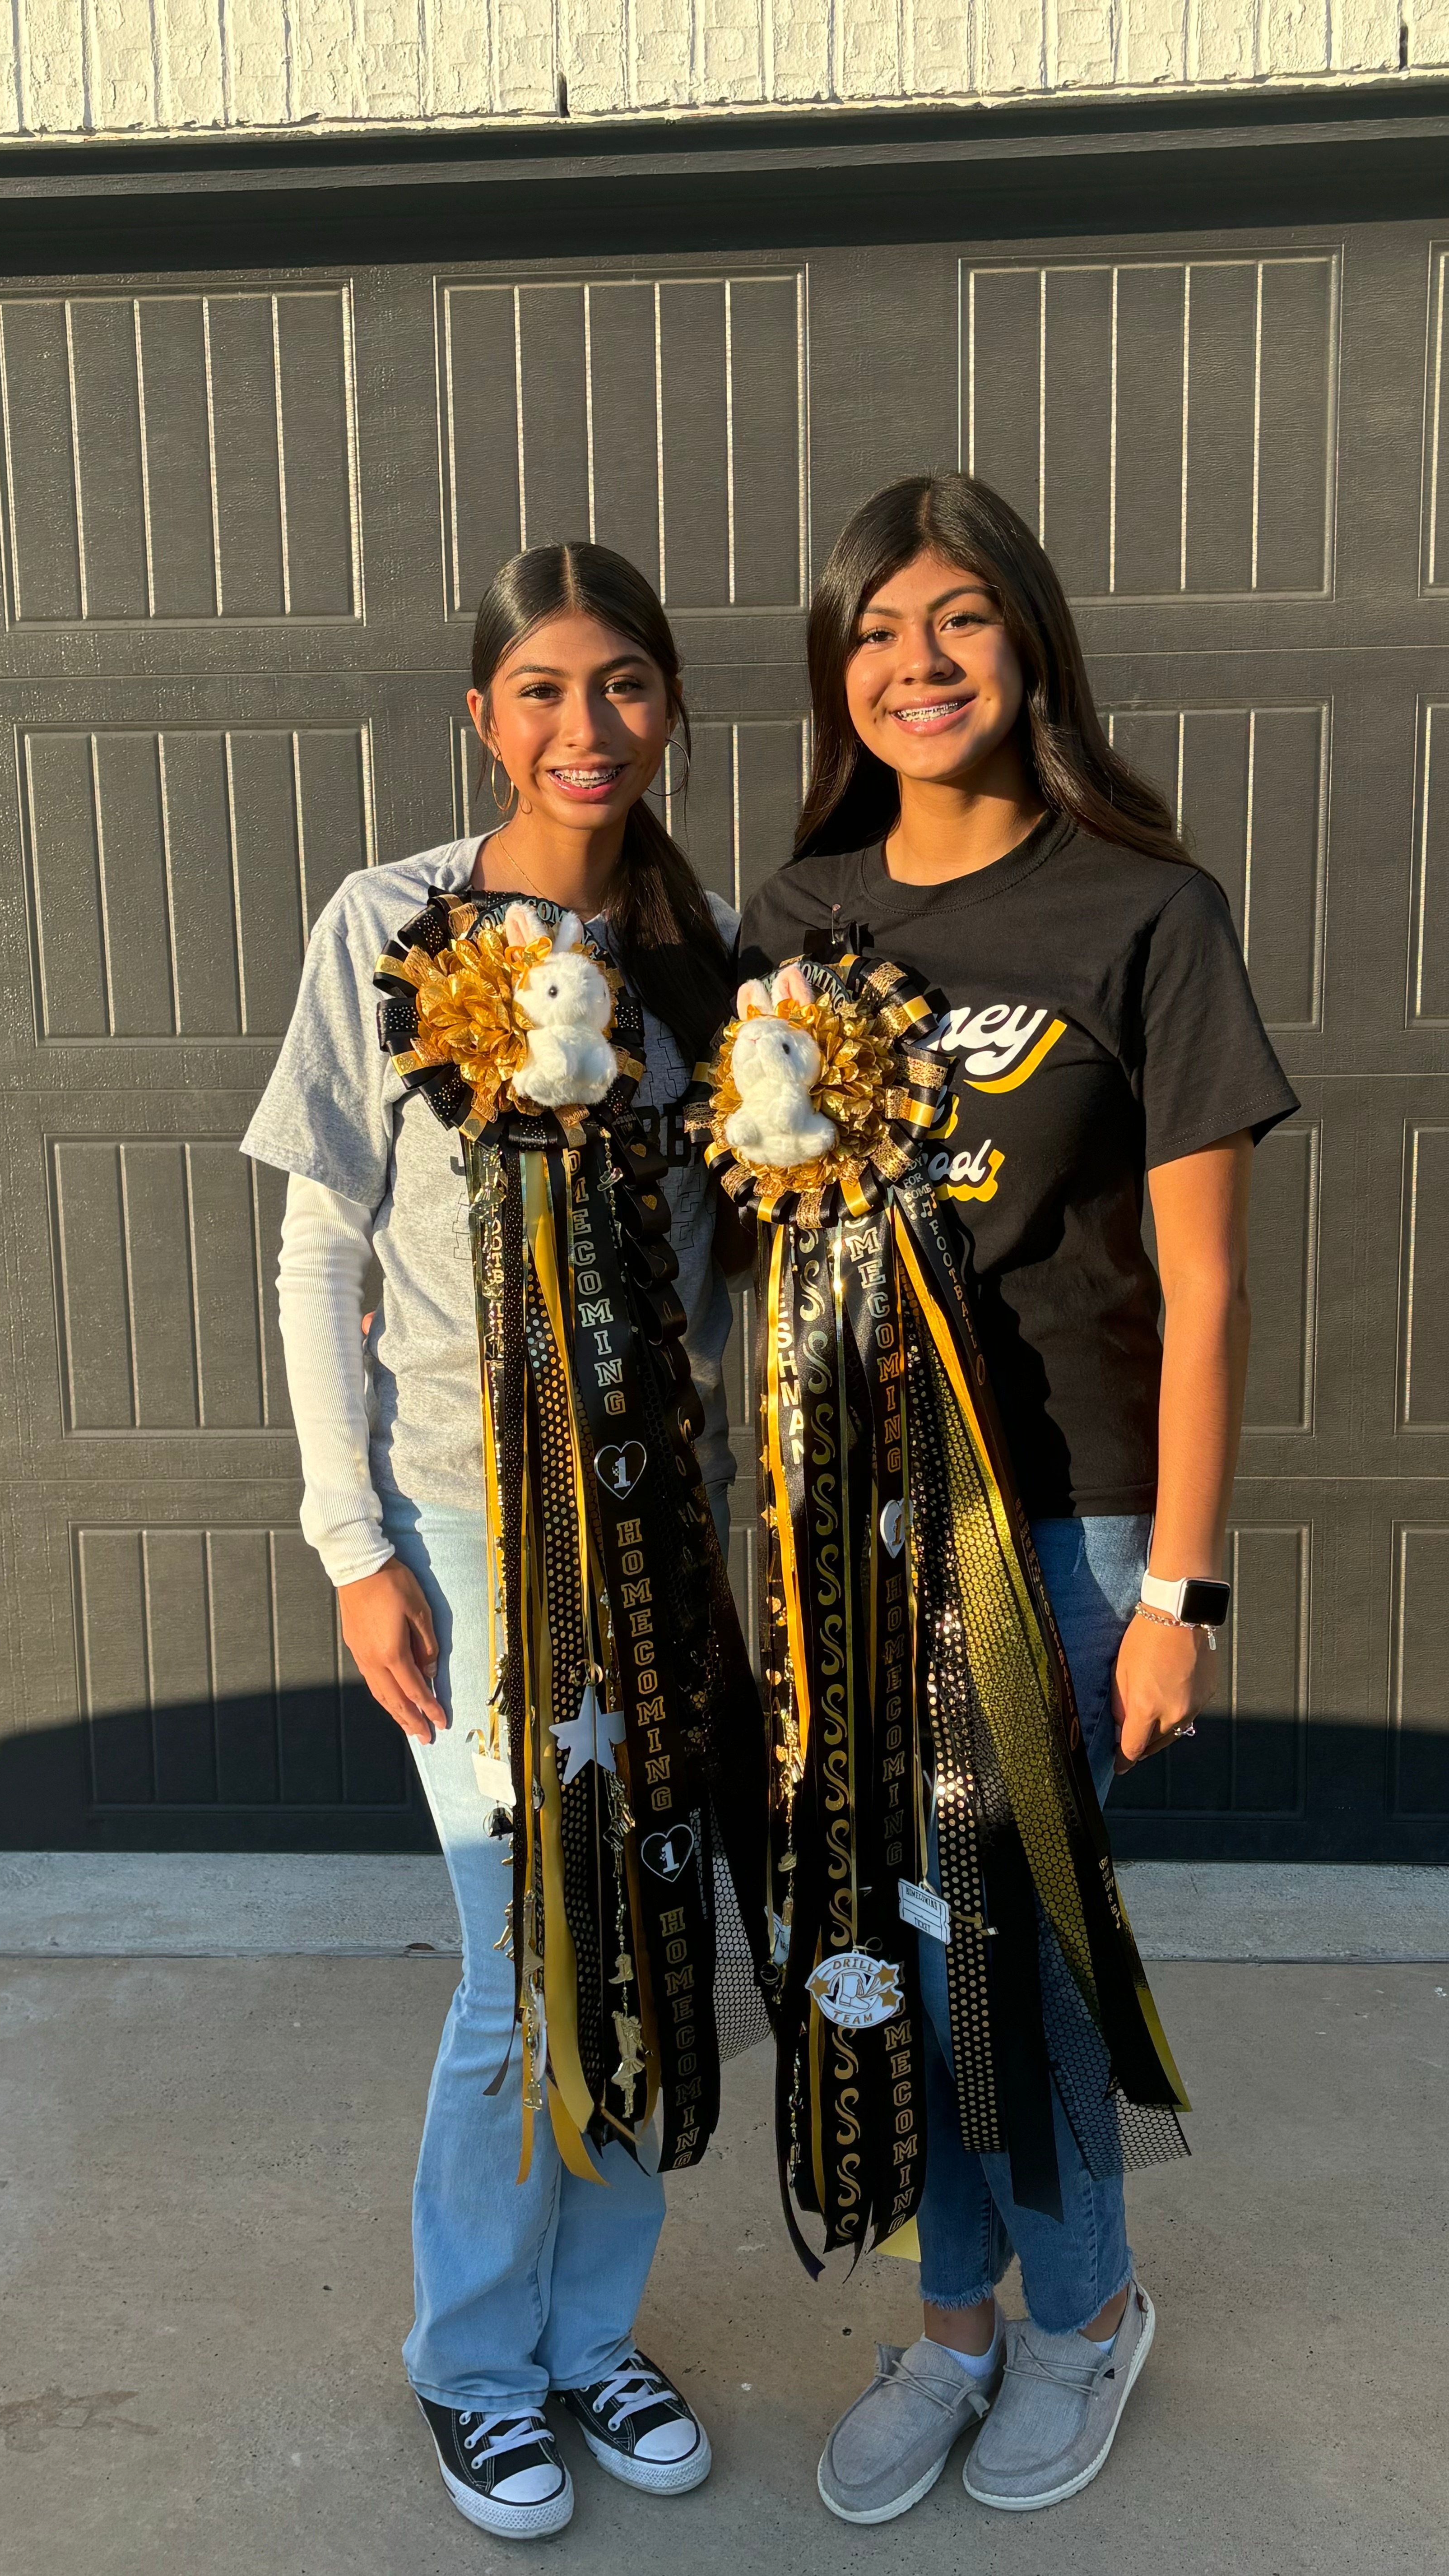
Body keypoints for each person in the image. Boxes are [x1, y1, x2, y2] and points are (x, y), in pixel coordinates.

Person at [736, 473, 1297, 2520]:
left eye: (958, 619)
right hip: (843, 1535)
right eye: (875, 629)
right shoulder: (795, 918)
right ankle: (949, 2317)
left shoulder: (1146, 911)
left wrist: (1183, 1590)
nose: (916, 662)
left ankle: (1080, 2313)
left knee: (1022, 1940)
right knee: (889, 1936)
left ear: (1031, 643)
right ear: (836, 670)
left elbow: (1211, 1279)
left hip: (1056, 1530)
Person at [242, 542, 743, 2539]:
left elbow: (732, 1266)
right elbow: (317, 1242)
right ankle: (472, 2358)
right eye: (540, 687)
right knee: (518, 1965)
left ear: (668, 704)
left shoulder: (700, 963)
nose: (583, 725)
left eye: (622, 683)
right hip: (461, 1517)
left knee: (641, 1934)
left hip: (660, 1530)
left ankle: (590, 2332)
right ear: (482, 713)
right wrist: (351, 1536)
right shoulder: (390, 923)